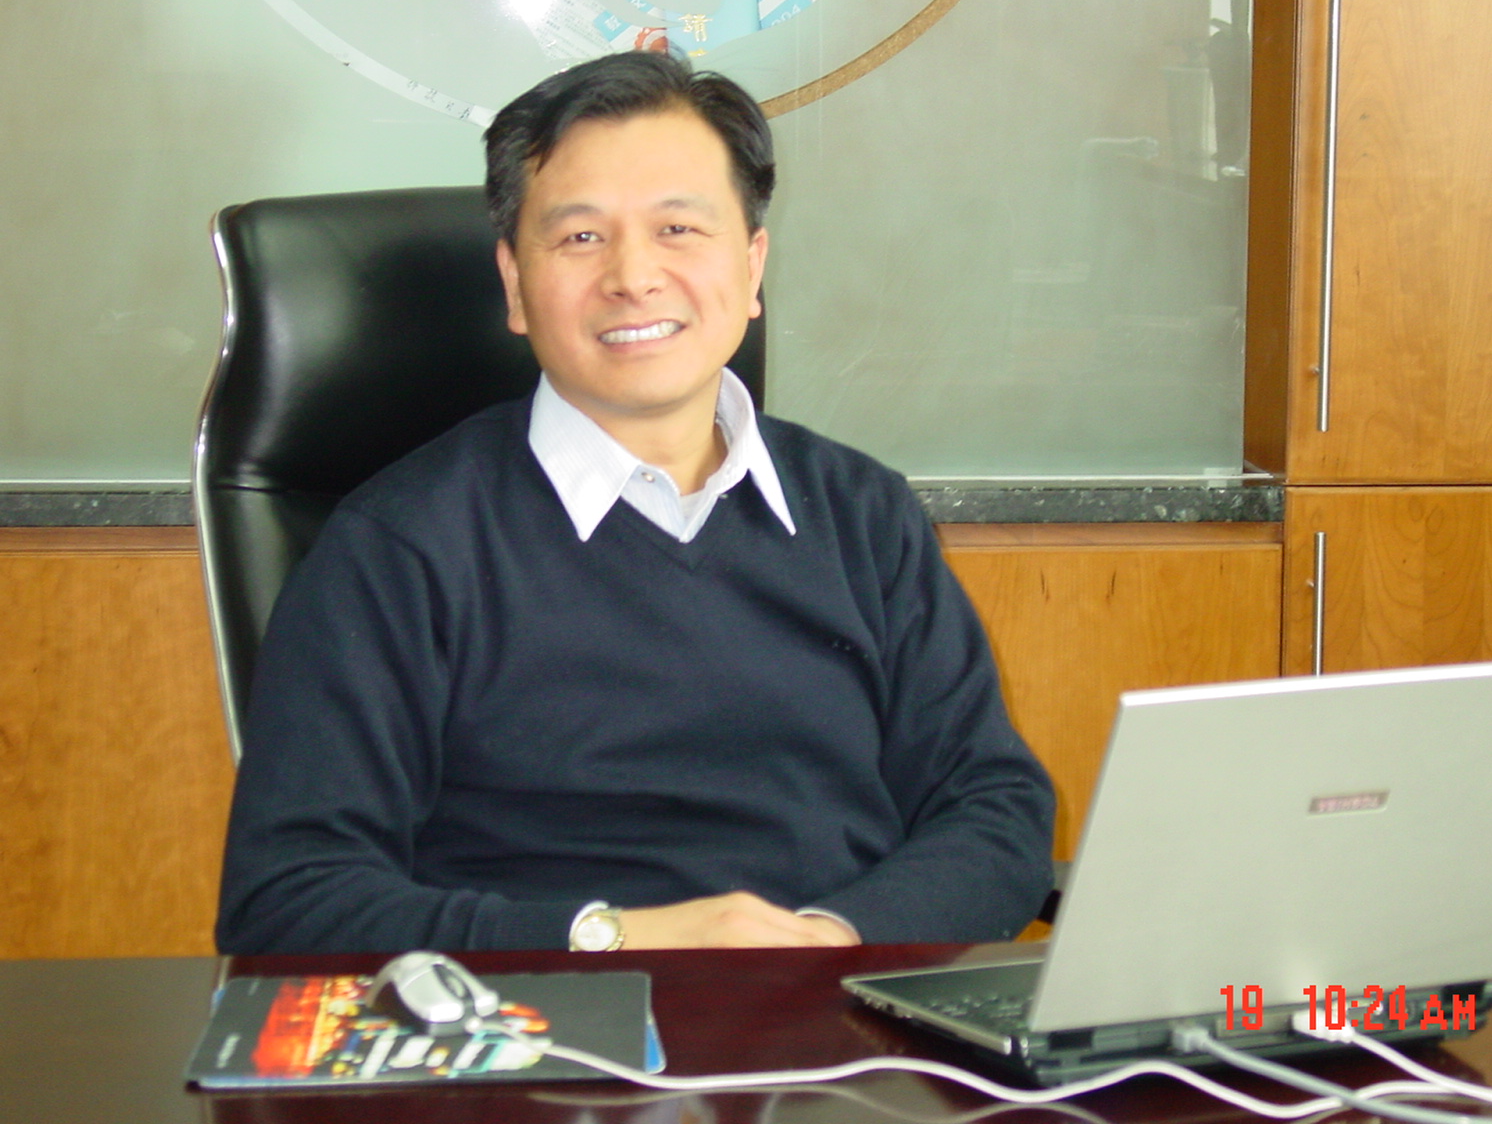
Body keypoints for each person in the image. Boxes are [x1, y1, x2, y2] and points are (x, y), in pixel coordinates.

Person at [216, 51, 1055, 954]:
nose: (634, 275)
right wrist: (611, 939)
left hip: (840, 1014)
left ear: (753, 266)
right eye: (581, 237)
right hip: (552, 1024)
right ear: (514, 284)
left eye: (679, 229)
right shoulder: (399, 549)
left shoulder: (863, 515)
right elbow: (289, 900)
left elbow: (994, 813)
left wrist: (826, 943)